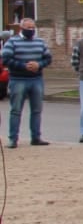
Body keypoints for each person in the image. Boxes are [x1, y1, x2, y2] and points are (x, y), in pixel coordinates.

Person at [3, 17, 52, 147]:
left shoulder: (40, 41)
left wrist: (39, 64)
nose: (31, 30)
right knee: (16, 110)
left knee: (36, 110)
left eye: (33, 28)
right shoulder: (12, 42)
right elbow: (6, 59)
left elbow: (48, 58)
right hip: (18, 79)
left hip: (36, 79)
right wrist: (23, 66)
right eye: (28, 28)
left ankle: (36, 137)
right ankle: (13, 139)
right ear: (21, 28)